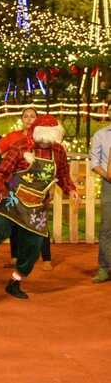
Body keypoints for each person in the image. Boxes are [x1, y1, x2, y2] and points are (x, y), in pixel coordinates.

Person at [0, 115, 77, 299]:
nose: (45, 143)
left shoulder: (59, 152)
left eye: (49, 140)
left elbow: (63, 175)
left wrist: (71, 189)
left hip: (37, 205)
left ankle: (15, 282)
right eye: (43, 139)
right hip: (13, 199)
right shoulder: (21, 146)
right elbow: (1, 171)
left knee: (34, 245)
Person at [0, 108, 53, 270]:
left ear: (37, 119)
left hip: (38, 185)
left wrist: (50, 187)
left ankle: (46, 259)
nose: (29, 119)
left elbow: (51, 163)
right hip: (16, 184)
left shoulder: (44, 137)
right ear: (22, 119)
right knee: (15, 220)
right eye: (26, 116)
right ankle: (15, 257)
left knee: (39, 221)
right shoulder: (13, 137)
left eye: (32, 116)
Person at [89, 114, 111, 283]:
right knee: (107, 227)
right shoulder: (101, 134)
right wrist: (108, 177)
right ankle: (104, 267)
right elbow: (94, 163)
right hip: (108, 184)